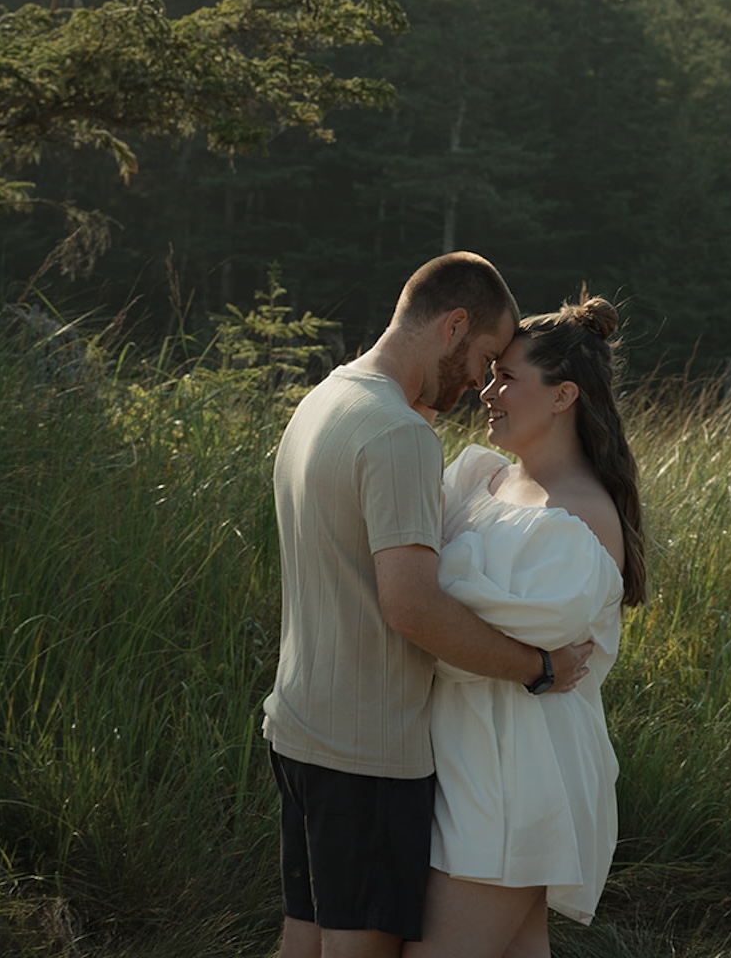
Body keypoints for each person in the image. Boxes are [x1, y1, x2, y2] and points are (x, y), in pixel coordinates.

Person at [262, 253, 595, 958]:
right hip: (367, 752)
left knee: (304, 941)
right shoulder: (399, 434)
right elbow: (412, 608)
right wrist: (537, 667)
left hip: (297, 729)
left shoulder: (323, 398)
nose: (480, 384)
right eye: (482, 360)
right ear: (453, 325)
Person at [405, 294, 646, 958]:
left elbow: (445, 635)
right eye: (490, 373)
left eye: (507, 378)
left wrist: (427, 600)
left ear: (564, 395)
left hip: (518, 781)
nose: (486, 390)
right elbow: (441, 611)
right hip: (469, 767)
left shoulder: (582, 520)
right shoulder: (484, 479)